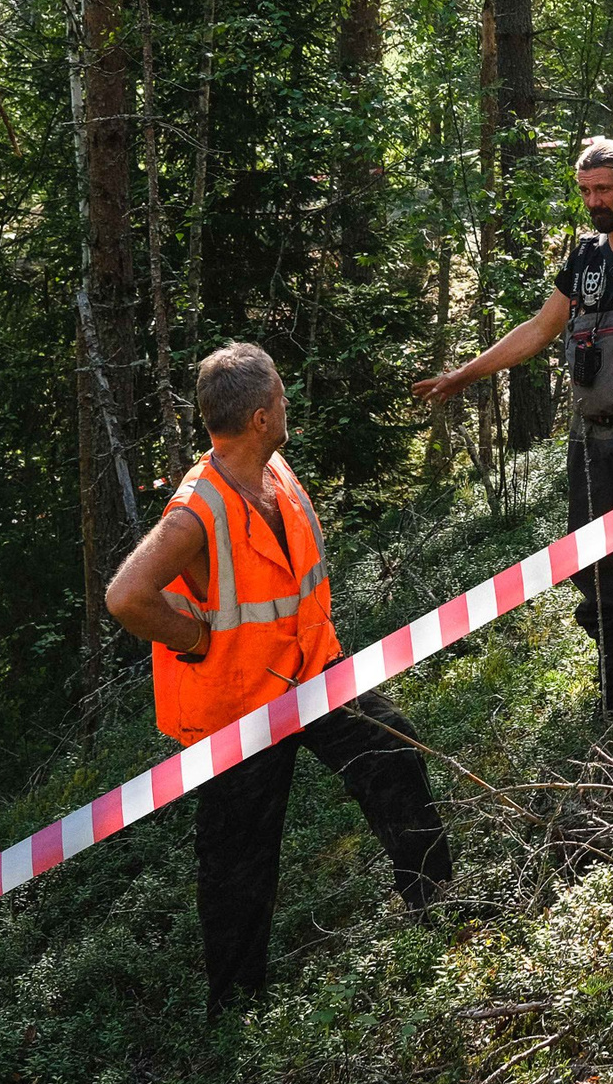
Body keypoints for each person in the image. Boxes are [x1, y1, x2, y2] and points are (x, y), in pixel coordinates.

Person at [106, 342, 453, 1016]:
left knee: (394, 752)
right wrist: (197, 635)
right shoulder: (194, 511)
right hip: (239, 712)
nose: (288, 402)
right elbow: (126, 596)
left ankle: (435, 905)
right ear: (261, 417)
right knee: (237, 866)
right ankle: (235, 1014)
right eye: (283, 396)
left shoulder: (271, 469)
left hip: (312, 672)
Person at [413, 139, 613, 719]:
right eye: (585, 191)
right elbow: (538, 330)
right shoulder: (583, 259)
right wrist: (464, 374)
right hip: (591, 438)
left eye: (604, 189)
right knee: (597, 564)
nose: (594, 201)